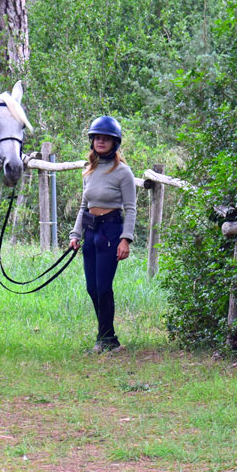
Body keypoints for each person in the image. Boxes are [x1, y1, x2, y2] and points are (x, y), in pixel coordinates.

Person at [69, 116, 136, 353]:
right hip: (91, 232)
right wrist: (75, 234)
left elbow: (130, 208)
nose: (101, 141)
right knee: (92, 288)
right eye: (97, 137)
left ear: (115, 142)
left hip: (110, 231)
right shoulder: (89, 171)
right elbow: (83, 206)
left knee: (104, 287)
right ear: (92, 141)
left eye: (106, 138)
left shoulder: (123, 172)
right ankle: (107, 338)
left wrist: (125, 239)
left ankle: (106, 339)